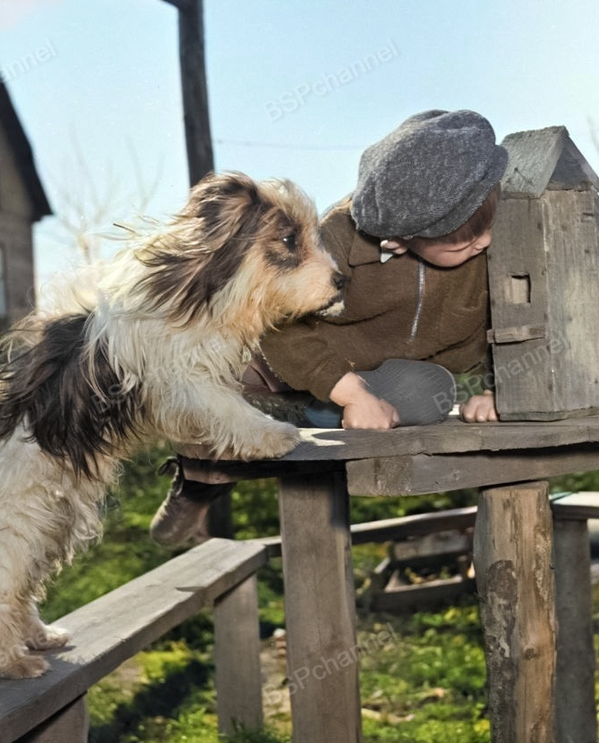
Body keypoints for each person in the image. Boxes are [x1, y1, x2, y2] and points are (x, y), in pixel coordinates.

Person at [150, 109, 507, 547]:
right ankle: (200, 476)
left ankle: (307, 414)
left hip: (384, 379)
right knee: (211, 385)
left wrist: (497, 388)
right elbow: (282, 325)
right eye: (464, 243)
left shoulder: (488, 241)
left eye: (485, 232)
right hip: (283, 365)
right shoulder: (336, 239)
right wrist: (350, 394)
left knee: (429, 391)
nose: (483, 244)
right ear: (399, 238)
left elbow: (505, 321)